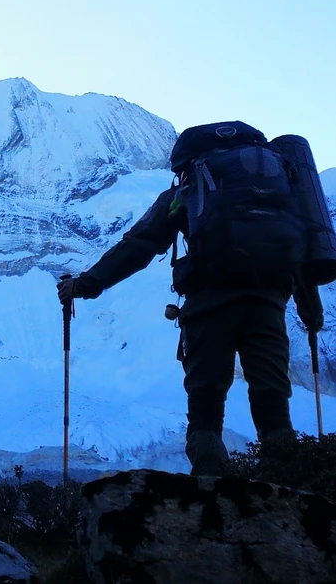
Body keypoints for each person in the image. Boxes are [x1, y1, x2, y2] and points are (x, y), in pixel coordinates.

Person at [56, 122, 325, 477]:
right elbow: (303, 246)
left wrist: (85, 285)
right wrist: (311, 310)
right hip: (267, 305)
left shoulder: (189, 189)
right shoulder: (279, 187)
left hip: (208, 307)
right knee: (272, 399)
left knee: (206, 399)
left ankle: (207, 497)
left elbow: (139, 246)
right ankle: (289, 488)